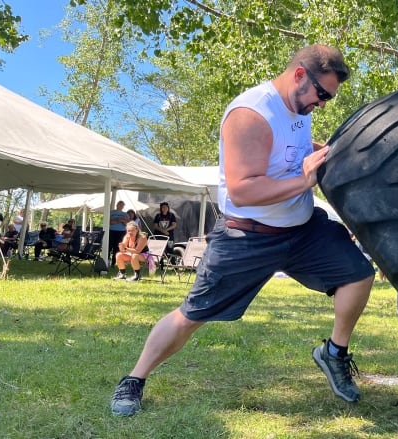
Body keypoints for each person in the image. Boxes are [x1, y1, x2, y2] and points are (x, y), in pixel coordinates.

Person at [110, 44, 374, 417]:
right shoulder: (251, 114)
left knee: (359, 274)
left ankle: (334, 353)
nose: (324, 103)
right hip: (247, 236)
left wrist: (331, 152)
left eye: (329, 97)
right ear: (300, 75)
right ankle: (134, 380)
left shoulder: (299, 107)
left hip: (301, 231)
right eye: (322, 94)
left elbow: (292, 150)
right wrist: (303, 180)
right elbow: (243, 189)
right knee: (191, 315)